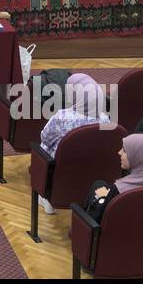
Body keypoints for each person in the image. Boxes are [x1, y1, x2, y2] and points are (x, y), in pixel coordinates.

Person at [37, 73, 110, 214]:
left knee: (43, 147)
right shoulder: (105, 120)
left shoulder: (62, 117)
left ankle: (47, 197)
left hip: (61, 165)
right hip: (92, 166)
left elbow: (45, 137)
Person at [82, 134, 143, 224]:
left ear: (139, 159)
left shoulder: (114, 194)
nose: (119, 152)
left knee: (99, 186)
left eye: (125, 150)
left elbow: (91, 226)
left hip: (113, 237)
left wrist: (97, 197)